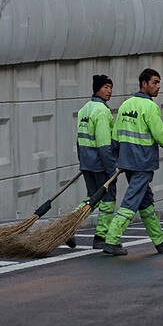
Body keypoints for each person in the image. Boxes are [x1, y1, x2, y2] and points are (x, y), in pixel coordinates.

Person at [103, 68, 163, 256]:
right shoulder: (150, 107)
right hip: (143, 162)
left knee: (145, 200)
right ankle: (111, 238)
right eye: (155, 82)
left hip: (128, 162)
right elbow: (159, 134)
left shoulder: (125, 104)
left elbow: (116, 134)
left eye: (159, 83)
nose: (158, 87)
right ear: (144, 83)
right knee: (132, 200)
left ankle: (159, 240)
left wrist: (117, 157)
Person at [68, 74, 117, 250]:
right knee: (108, 198)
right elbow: (104, 145)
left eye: (111, 87)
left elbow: (79, 139)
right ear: (97, 89)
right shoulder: (102, 111)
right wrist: (111, 169)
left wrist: (83, 161)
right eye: (106, 87)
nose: (109, 91)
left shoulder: (84, 109)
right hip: (100, 164)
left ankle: (68, 226)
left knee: (92, 198)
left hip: (87, 163)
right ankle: (100, 237)